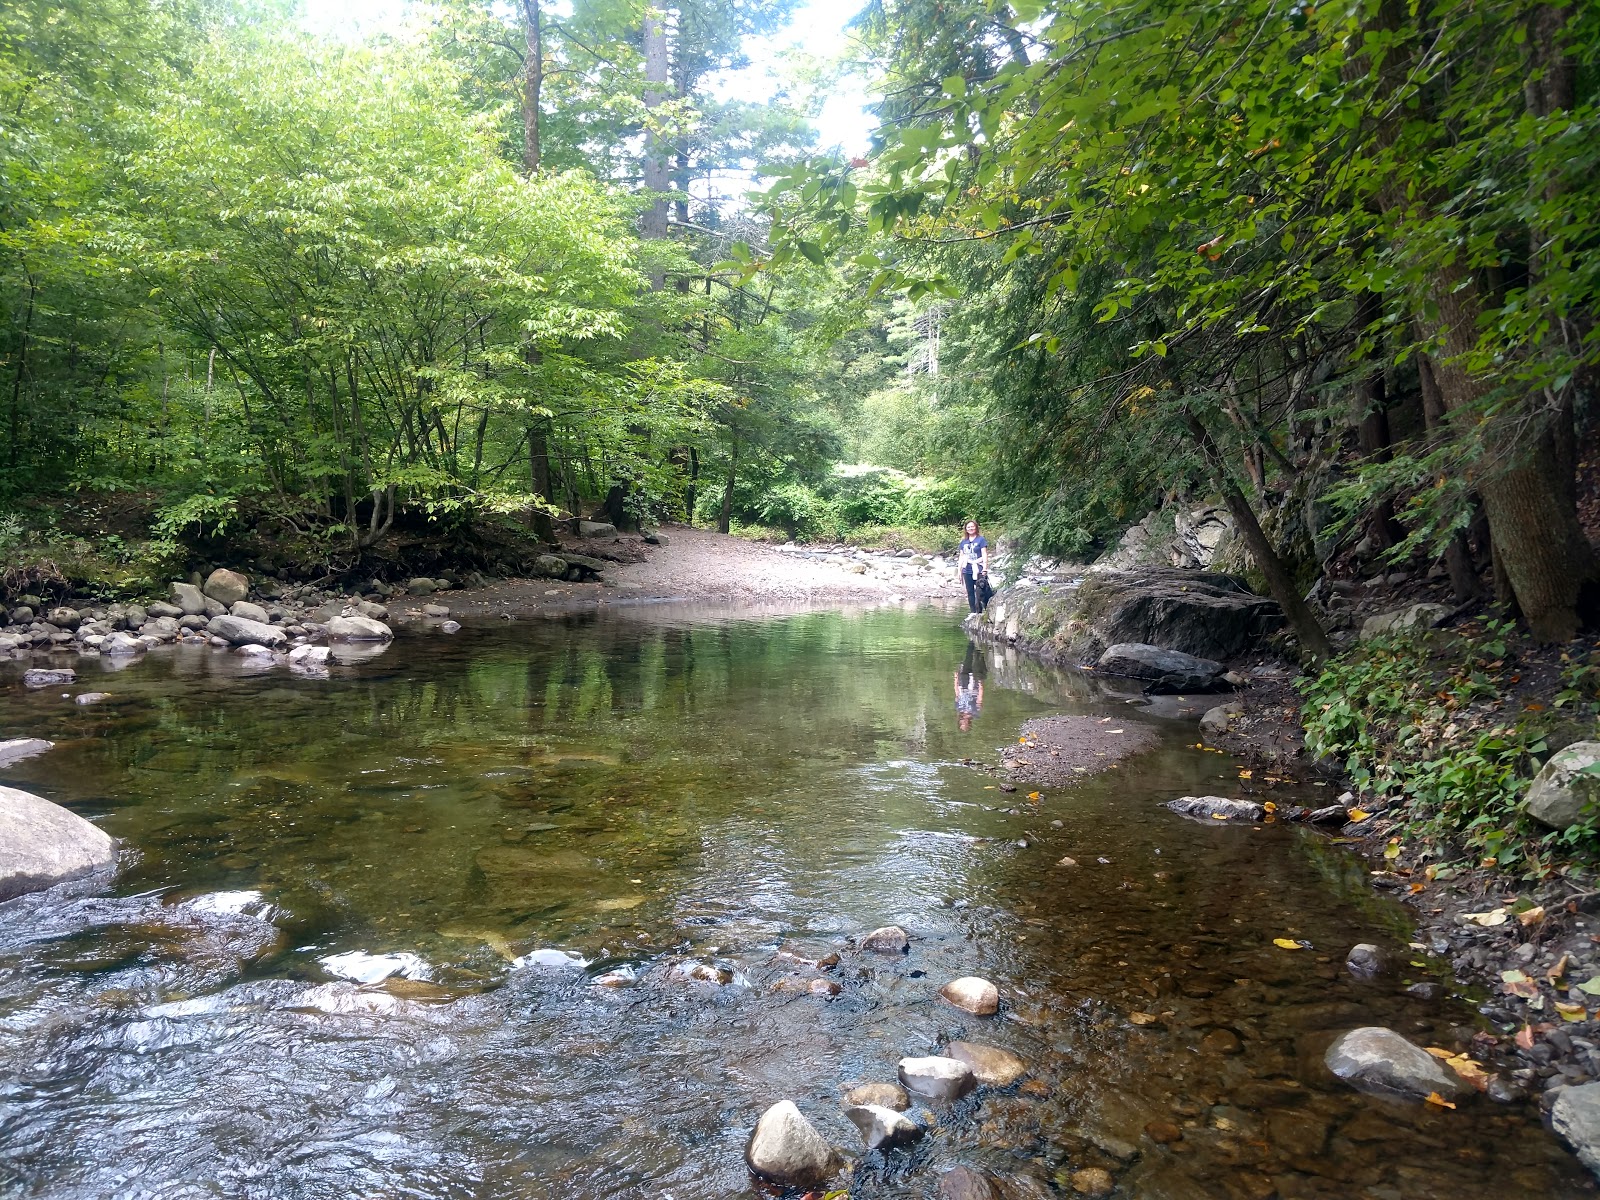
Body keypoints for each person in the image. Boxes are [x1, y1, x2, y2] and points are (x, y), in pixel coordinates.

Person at [956, 519, 990, 613]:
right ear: (966, 529)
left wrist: (985, 568)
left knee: (982, 591)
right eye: (968, 527)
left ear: (976, 527)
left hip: (978, 568)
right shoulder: (964, 542)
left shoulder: (981, 540)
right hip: (967, 569)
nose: (970, 528)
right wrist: (959, 570)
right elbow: (961, 556)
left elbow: (984, 554)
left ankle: (985, 610)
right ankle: (973, 612)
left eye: (972, 526)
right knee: (970, 592)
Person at [954, 643, 985, 731]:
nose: (963, 722)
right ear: (969, 723)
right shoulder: (975, 712)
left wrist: (956, 679)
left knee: (967, 660)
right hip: (973, 685)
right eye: (965, 724)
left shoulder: (959, 709)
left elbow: (957, 694)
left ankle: (972, 643)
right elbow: (979, 699)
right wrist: (981, 686)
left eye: (962, 723)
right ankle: (979, 648)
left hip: (963, 683)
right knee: (977, 662)